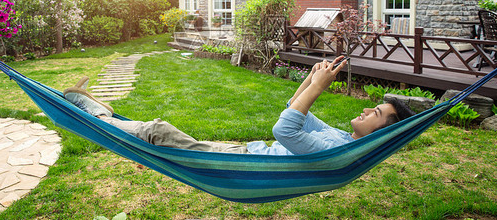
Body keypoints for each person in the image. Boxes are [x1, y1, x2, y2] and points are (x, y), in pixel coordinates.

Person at [64, 56, 415, 155]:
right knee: (154, 135)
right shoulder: (342, 140)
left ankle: (96, 114)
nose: (369, 110)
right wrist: (310, 80)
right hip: (243, 152)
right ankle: (106, 117)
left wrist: (319, 91)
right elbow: (295, 108)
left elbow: (286, 129)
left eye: (377, 114)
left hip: (241, 160)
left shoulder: (335, 153)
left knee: (157, 131)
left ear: (383, 134)